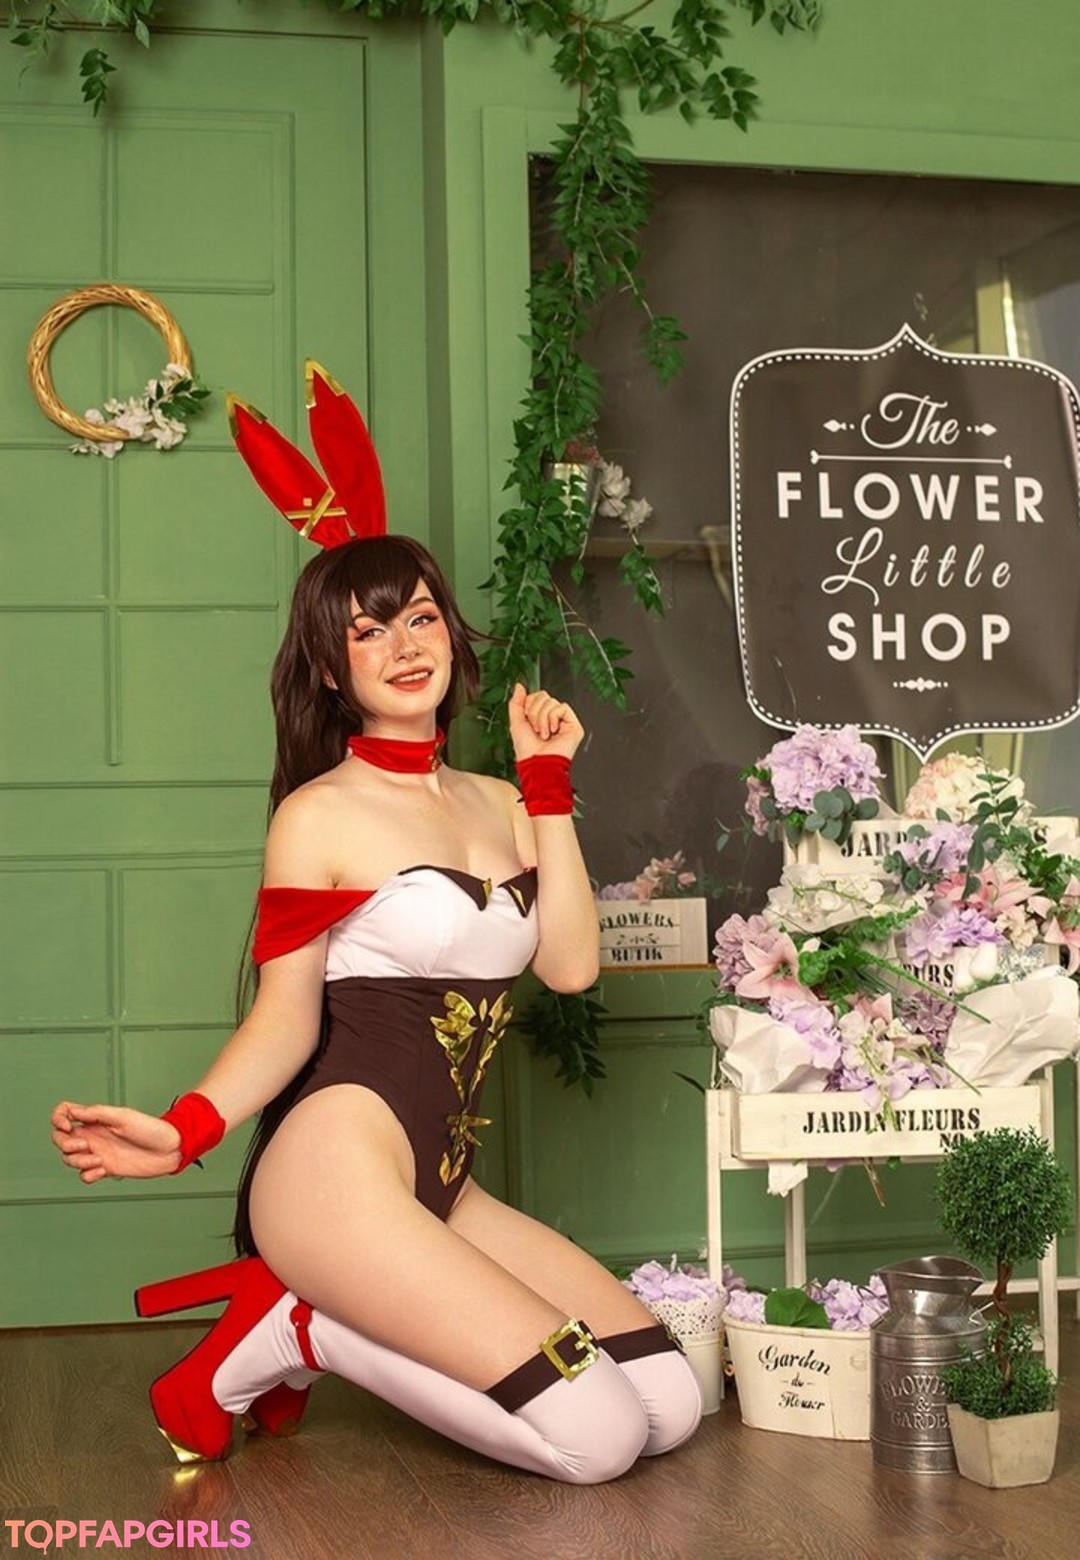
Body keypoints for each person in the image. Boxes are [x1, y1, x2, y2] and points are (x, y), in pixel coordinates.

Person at [49, 372, 701, 1484]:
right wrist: (187, 1129)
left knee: (670, 1403)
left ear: (449, 631)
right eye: (368, 630)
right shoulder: (319, 817)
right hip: (332, 1178)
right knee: (597, 1439)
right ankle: (299, 1329)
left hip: (441, 1182)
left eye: (421, 616)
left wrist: (548, 784)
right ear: (329, 667)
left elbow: (569, 966)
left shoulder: (503, 800)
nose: (405, 644)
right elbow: (287, 1020)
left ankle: (294, 1325)